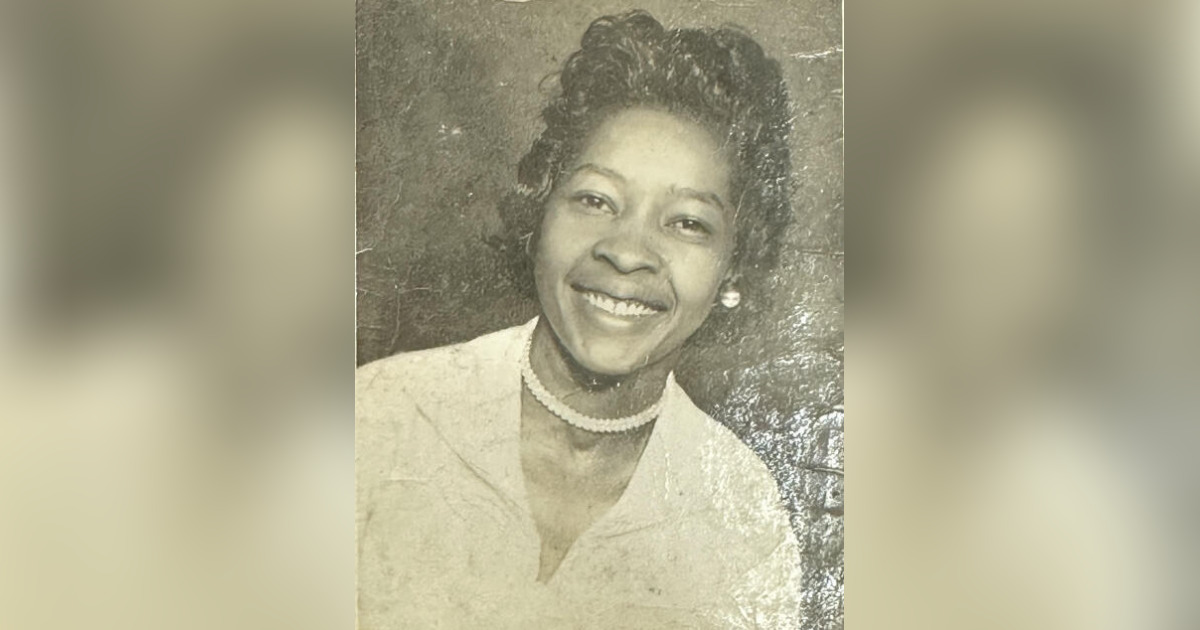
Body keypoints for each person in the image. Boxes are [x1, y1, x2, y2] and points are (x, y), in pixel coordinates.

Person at [356, 11, 802, 628]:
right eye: (595, 200)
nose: (627, 251)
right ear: (539, 215)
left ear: (735, 267)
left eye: (687, 223)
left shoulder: (744, 522)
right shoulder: (379, 417)